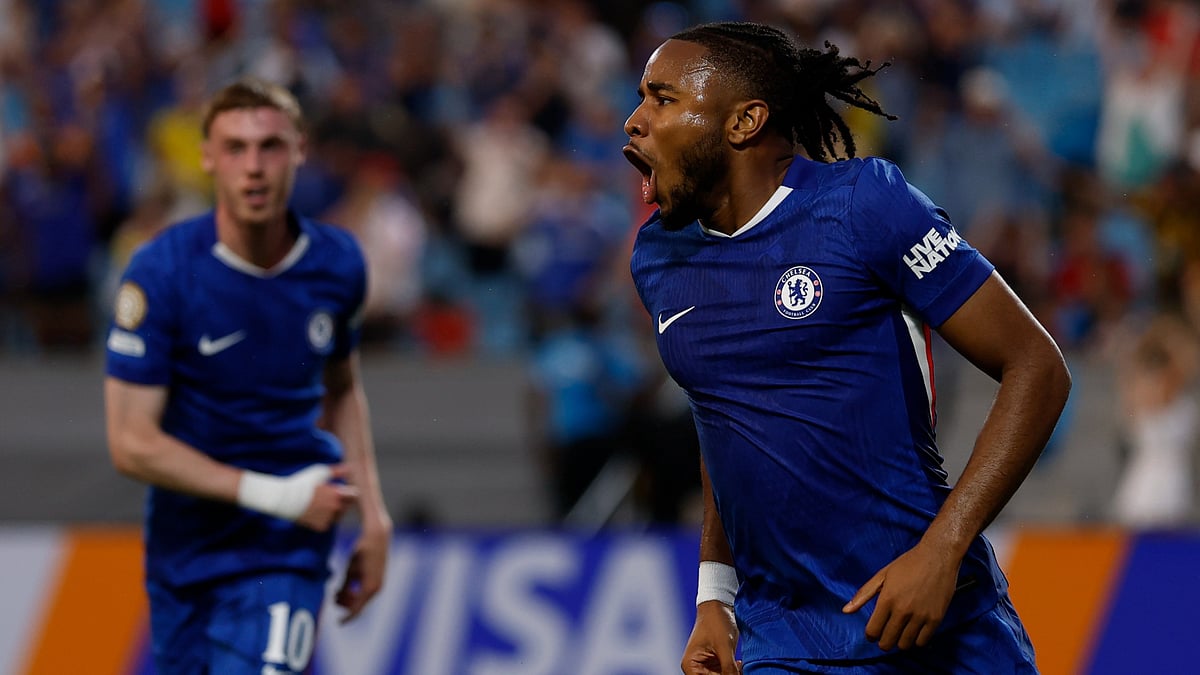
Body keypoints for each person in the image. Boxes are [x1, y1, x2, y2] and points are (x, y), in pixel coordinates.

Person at [622, 22, 1071, 674]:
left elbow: (1038, 366)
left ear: (745, 120)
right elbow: (722, 419)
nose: (634, 121)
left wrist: (943, 549)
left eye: (662, 98)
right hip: (785, 638)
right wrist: (714, 596)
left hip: (928, 620)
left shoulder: (864, 206)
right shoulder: (658, 257)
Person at [103, 78, 393, 674]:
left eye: (270, 147)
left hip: (284, 550)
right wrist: (274, 495)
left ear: (299, 150)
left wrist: (374, 514)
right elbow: (131, 443)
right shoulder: (161, 272)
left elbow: (341, 390)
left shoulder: (337, 264)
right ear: (207, 157)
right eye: (235, 148)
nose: (253, 168)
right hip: (185, 550)